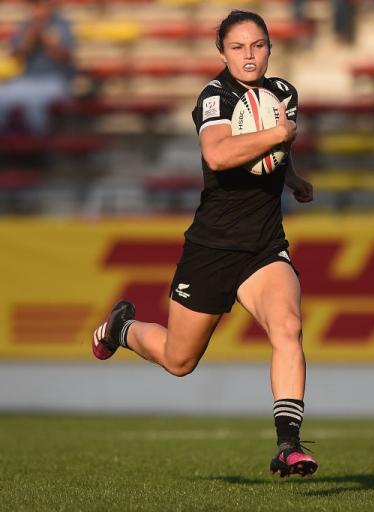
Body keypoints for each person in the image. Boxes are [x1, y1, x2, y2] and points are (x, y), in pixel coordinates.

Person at [91, 10, 317, 478]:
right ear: (222, 52)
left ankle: (288, 445)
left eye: (257, 45)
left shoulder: (285, 94)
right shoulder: (214, 96)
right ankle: (123, 328)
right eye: (237, 47)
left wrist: (292, 177)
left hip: (263, 246)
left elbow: (274, 154)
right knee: (179, 360)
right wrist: (279, 134)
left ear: (271, 47)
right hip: (212, 248)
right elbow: (217, 152)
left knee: (289, 327)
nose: (249, 56)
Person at [0, 0, 74, 133]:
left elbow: (66, 57)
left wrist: (46, 40)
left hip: (55, 79)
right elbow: (17, 56)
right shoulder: (25, 26)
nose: (39, 9)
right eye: (36, 5)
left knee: (36, 103)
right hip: (27, 78)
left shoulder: (62, 25)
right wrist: (31, 37)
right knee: (3, 96)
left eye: (42, 5)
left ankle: (35, 142)